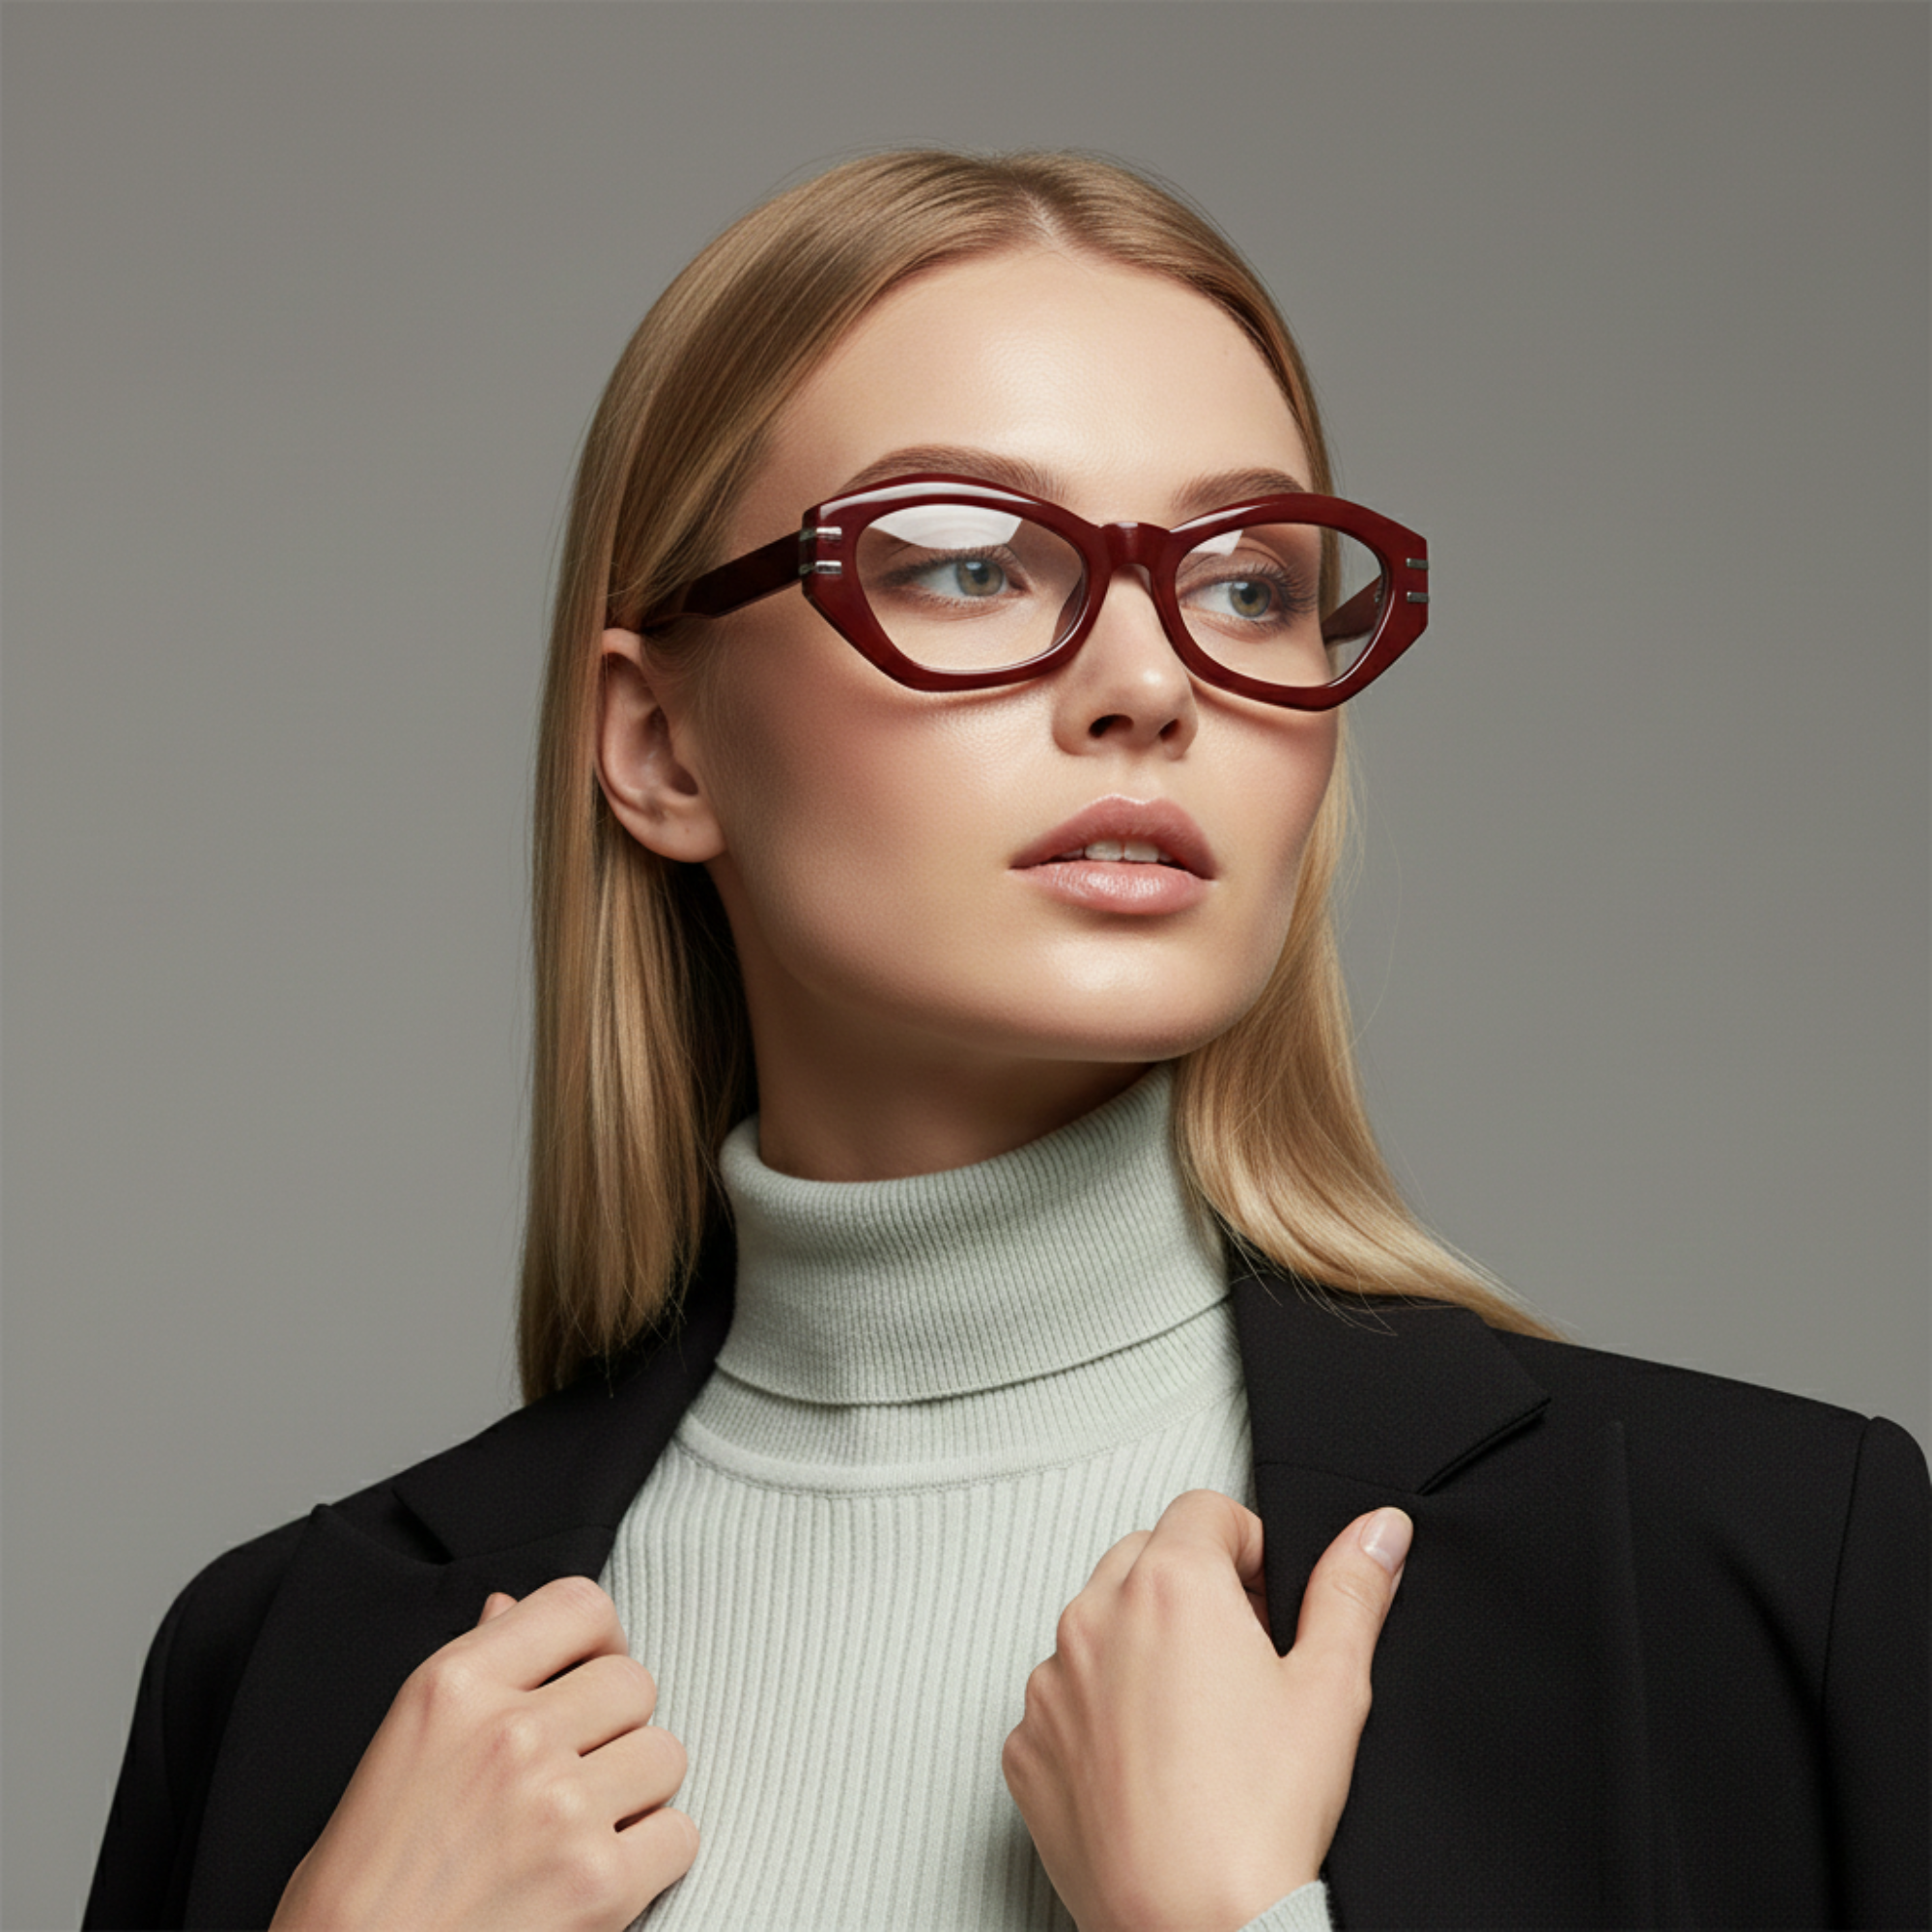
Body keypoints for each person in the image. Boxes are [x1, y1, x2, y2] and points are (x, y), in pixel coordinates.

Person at [84, 150, 1928, 1932]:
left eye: (1248, 584)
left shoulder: (1762, 1574)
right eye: (967, 562)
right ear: (661, 746)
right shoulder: (291, 1670)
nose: (1149, 681)